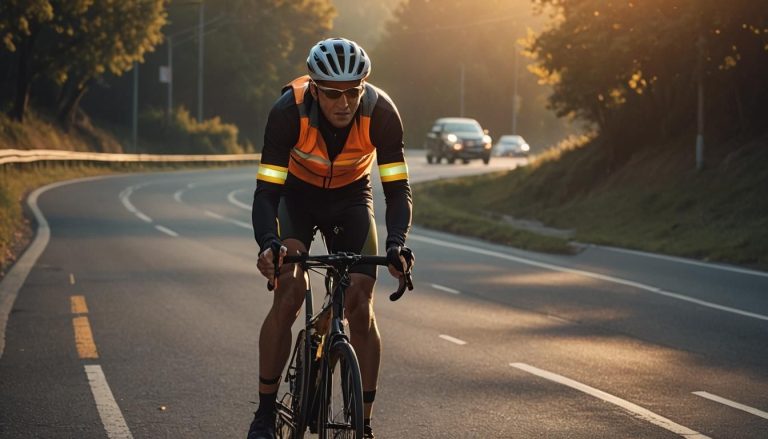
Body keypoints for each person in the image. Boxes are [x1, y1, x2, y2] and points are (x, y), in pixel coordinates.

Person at [247, 37, 414, 439]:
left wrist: (396, 244)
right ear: (316, 88)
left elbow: (397, 190)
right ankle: (265, 415)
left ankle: (365, 423)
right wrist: (269, 242)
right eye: (334, 93)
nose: (344, 102)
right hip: (297, 196)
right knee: (289, 289)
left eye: (353, 92)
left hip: (351, 198)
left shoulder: (382, 114)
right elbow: (267, 192)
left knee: (360, 300)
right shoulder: (288, 112)